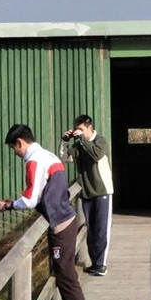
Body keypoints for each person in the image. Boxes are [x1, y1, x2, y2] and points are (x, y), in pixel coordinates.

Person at [0, 123, 97, 300]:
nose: (15, 153)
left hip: (60, 225)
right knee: (65, 275)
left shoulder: (33, 160)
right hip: (65, 219)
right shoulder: (47, 155)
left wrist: (10, 205)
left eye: (14, 148)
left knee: (66, 277)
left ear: (20, 142)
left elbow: (31, 199)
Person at [60, 114, 114, 277]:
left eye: (81, 129)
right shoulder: (79, 144)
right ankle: (94, 263)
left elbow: (96, 155)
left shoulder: (101, 141)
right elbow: (64, 158)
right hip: (87, 193)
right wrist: (64, 141)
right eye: (76, 129)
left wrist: (83, 140)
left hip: (102, 191)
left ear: (90, 128)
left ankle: (101, 264)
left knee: (101, 230)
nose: (78, 132)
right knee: (90, 230)